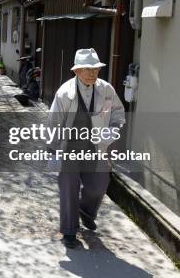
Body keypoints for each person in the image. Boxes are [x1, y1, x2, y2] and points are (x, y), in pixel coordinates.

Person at [47, 48, 125, 249]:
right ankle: (69, 231)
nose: (92, 73)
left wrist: (114, 129)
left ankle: (86, 211)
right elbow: (54, 122)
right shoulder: (64, 93)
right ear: (77, 71)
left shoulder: (106, 90)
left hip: (96, 147)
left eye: (95, 69)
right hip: (69, 148)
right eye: (87, 69)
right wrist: (53, 150)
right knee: (69, 187)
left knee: (99, 184)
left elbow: (117, 112)